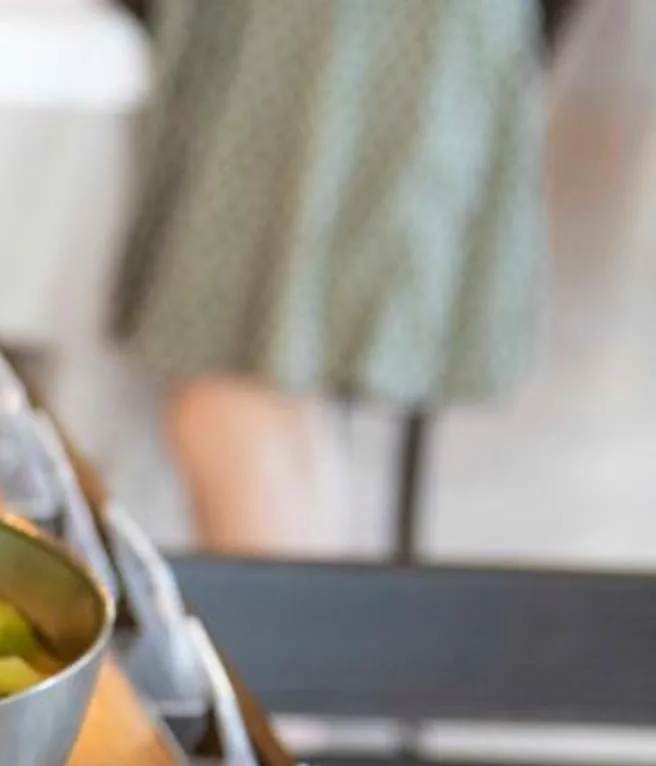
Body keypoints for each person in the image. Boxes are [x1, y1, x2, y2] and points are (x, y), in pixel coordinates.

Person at [111, 0, 550, 555]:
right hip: (367, 40)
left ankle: (273, 638)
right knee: (277, 390)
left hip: (327, 38)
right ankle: (301, 627)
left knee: (230, 392)